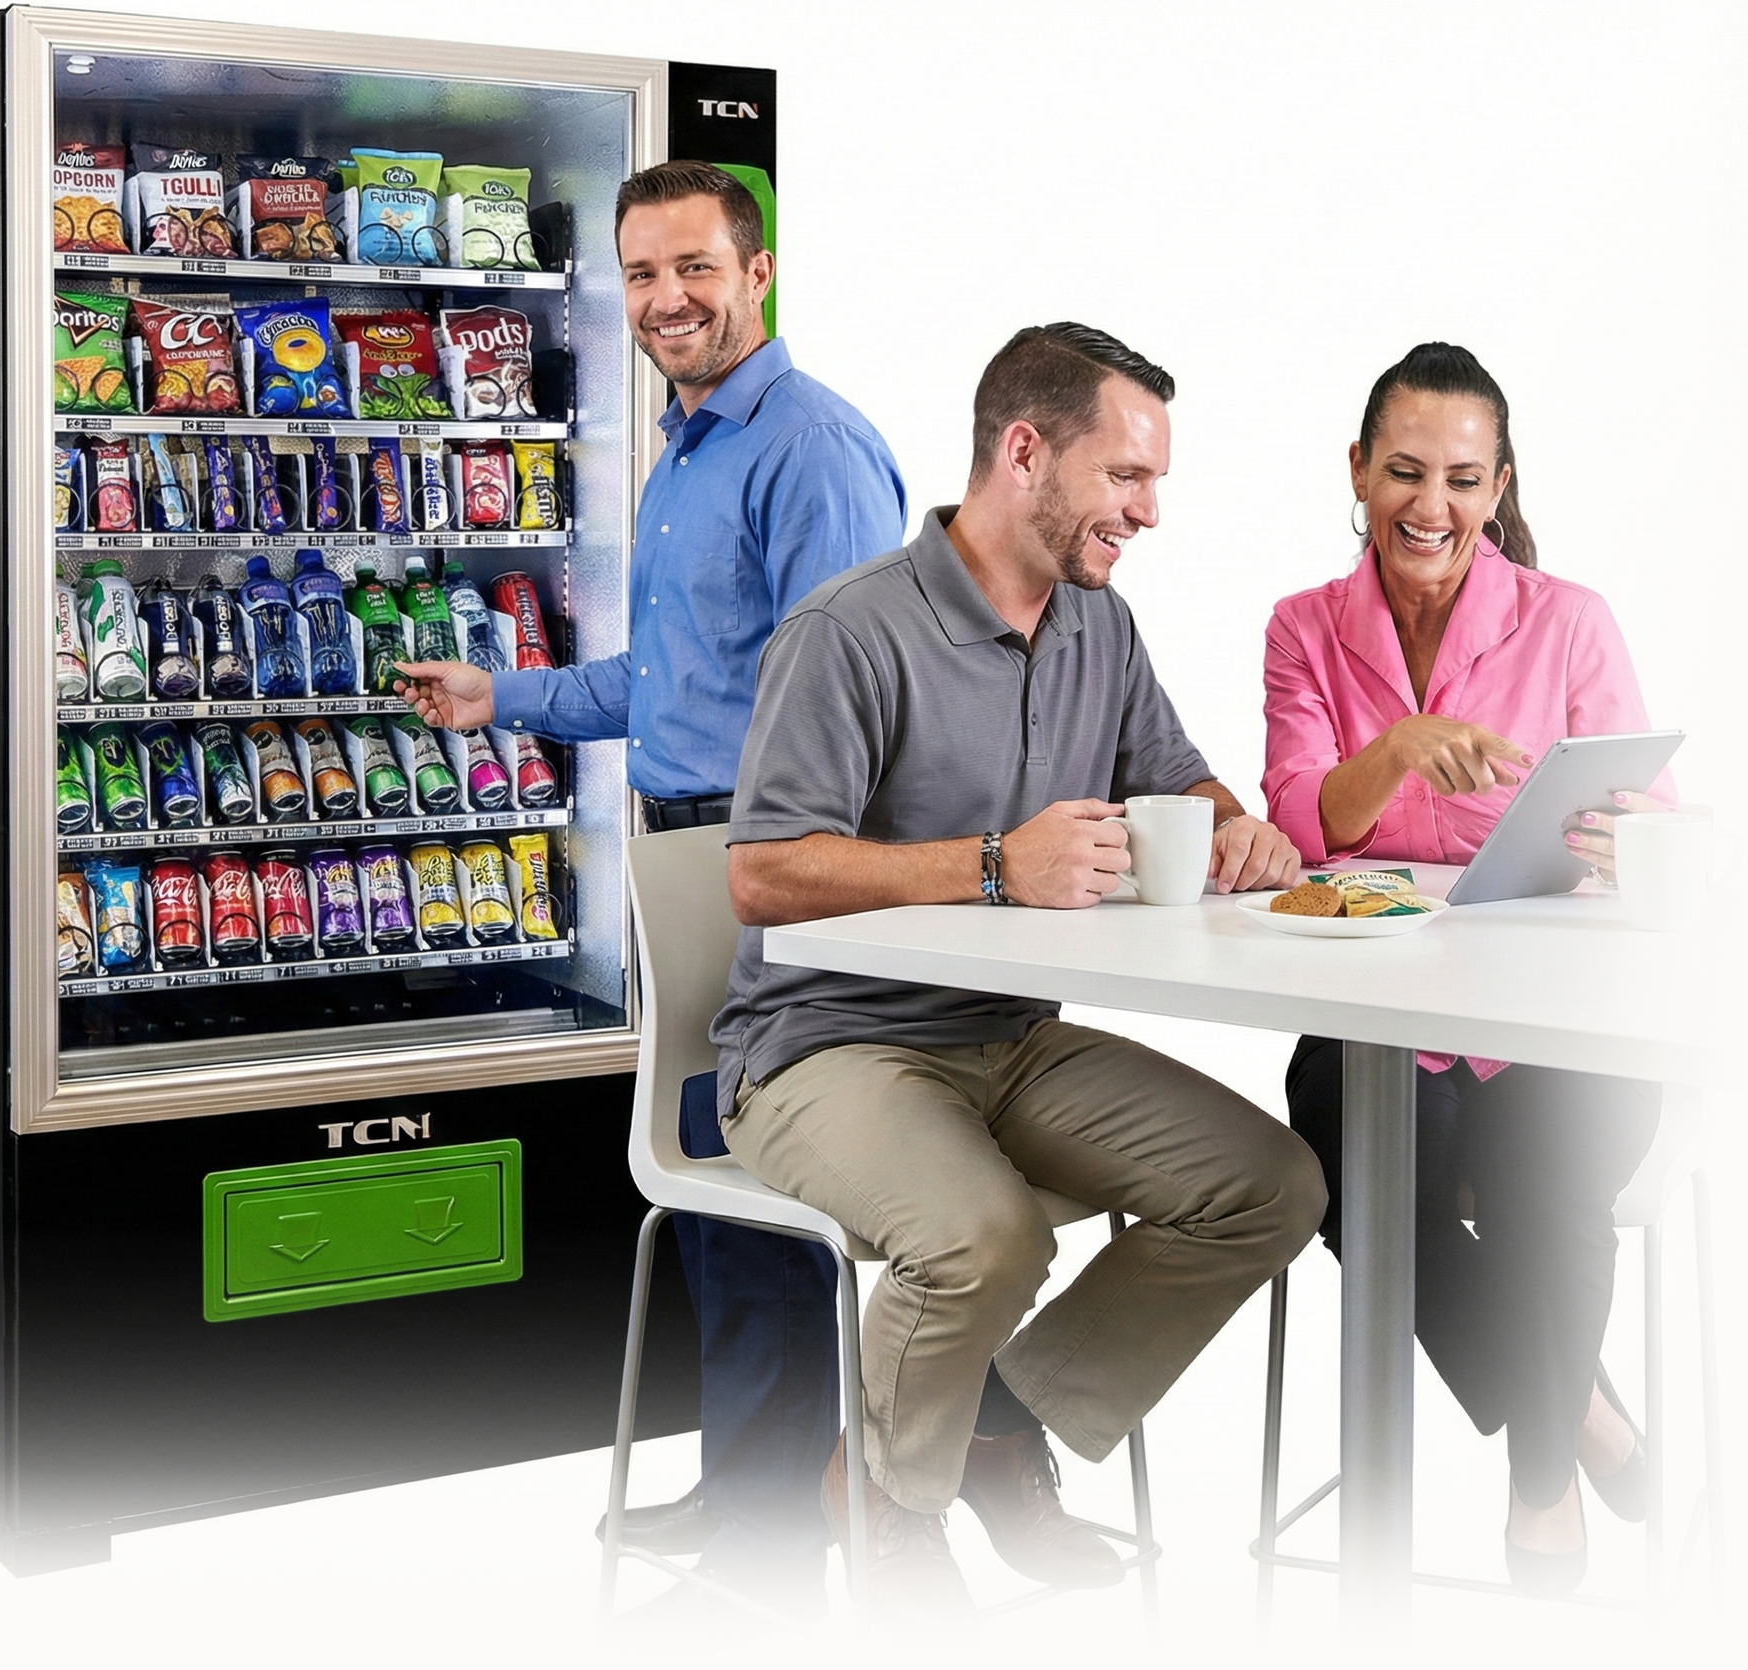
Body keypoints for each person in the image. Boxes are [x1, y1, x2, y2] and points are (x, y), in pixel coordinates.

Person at [708, 322, 1327, 1620]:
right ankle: (889, 1497)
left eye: (1155, 482)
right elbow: (764, 874)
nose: (1150, 511)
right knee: (980, 1236)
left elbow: (1176, 775)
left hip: (1010, 1041)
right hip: (824, 1048)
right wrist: (995, 864)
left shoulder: (1100, 624)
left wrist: (1229, 821)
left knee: (1269, 1184)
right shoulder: (852, 630)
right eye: (1128, 477)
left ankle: (989, 1428)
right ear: (1024, 450)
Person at [396, 159, 910, 1609]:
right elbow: (660, 678)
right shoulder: (685, 450)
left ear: (757, 274)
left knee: (764, 1174)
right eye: (638, 273)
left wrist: (807, 879)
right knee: (715, 1184)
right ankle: (755, 1478)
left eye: (693, 268)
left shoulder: (810, 448)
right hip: (685, 858)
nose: (665, 299)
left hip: (778, 866)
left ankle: (778, 1539)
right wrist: (503, 696)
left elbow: (867, 697)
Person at [1263, 341, 1668, 1593]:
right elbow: (1294, 818)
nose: (1427, 506)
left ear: (1498, 488)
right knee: (1342, 1148)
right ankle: (1576, 1411)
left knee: (1559, 1172)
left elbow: (1658, 807)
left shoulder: (1571, 622)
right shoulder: (1304, 628)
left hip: (1555, 1012)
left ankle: (1541, 1483)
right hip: (1383, 1019)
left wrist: (1630, 835)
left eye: (1459, 478)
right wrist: (1400, 750)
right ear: (1357, 470)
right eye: (1402, 472)